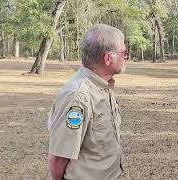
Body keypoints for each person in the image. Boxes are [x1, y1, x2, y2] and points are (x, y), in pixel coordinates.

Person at [47, 24, 127, 180]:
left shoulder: (102, 85)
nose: (126, 57)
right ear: (108, 58)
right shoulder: (78, 96)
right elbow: (58, 158)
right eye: (124, 53)